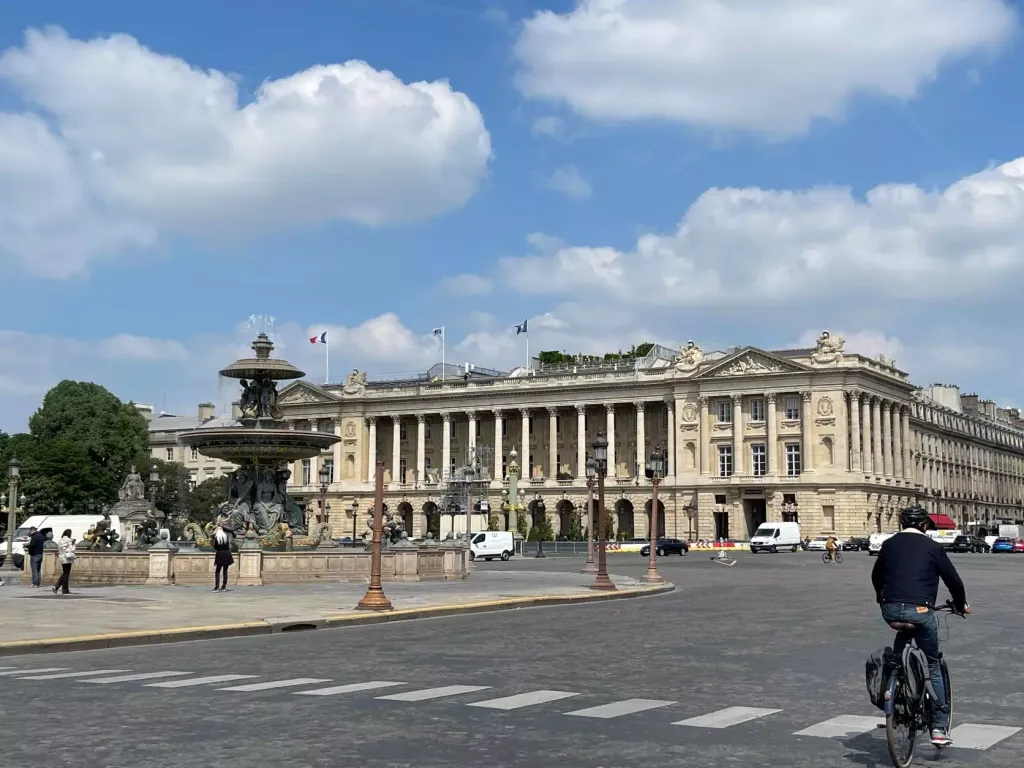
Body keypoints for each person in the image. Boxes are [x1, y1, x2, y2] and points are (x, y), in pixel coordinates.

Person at [871, 505, 970, 748]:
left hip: (890, 609)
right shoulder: (932, 546)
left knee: (900, 650)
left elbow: (876, 576)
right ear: (925, 525)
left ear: (902, 524)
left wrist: (882, 598)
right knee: (933, 664)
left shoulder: (889, 544)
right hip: (921, 610)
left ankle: (893, 697)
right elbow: (953, 580)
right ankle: (938, 727)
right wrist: (960, 605)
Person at [53, 529, 76, 595]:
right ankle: (57, 586)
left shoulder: (60, 540)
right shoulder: (69, 540)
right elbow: (72, 549)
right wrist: (74, 544)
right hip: (68, 557)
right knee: (66, 573)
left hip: (62, 557)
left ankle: (65, 589)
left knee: (65, 573)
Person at [212, 524, 234, 592]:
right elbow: (227, 546)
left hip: (220, 554)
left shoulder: (217, 538)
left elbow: (215, 547)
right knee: (225, 571)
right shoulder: (226, 537)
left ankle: (216, 587)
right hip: (227, 554)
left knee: (217, 571)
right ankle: (223, 587)